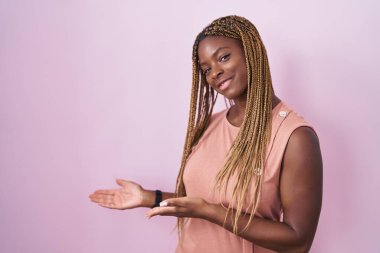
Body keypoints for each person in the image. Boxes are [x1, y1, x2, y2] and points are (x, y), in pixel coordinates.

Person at [89, 15, 323, 253]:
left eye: (223, 57)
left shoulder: (295, 137)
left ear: (251, 51)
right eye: (206, 69)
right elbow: (200, 199)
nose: (214, 73)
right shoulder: (211, 124)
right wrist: (149, 197)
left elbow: (298, 241)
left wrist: (210, 212)